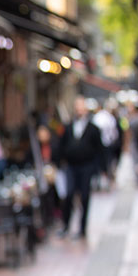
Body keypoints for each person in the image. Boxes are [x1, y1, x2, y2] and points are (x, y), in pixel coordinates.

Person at [58, 95, 103, 239]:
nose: (79, 110)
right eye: (77, 107)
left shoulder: (93, 128)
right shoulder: (68, 126)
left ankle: (82, 228)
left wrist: (97, 169)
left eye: (81, 107)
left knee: (84, 197)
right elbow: (61, 145)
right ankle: (66, 225)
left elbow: (99, 149)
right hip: (71, 166)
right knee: (69, 194)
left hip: (86, 166)